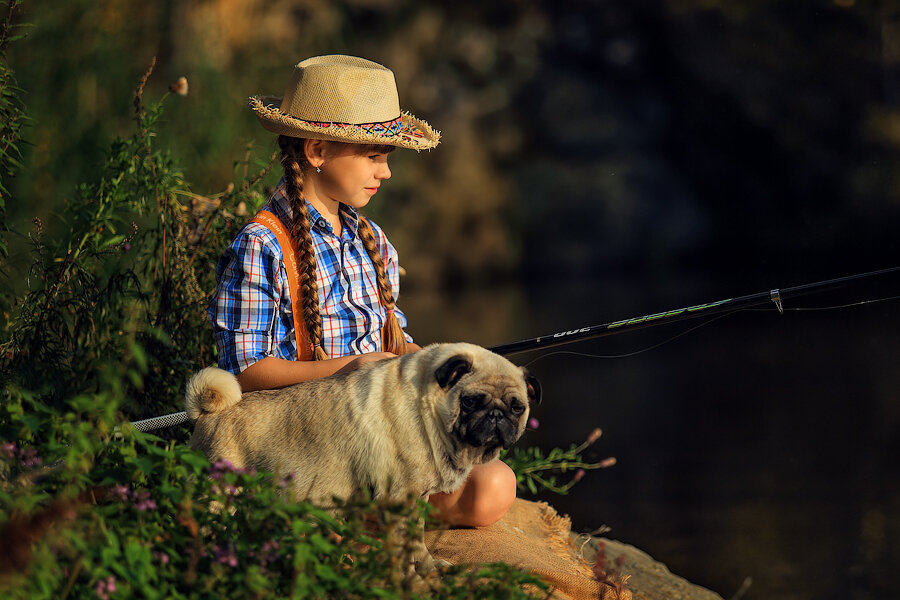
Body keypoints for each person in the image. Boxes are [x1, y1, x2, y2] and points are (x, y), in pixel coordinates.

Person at [209, 55, 516, 527]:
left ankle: (375, 519)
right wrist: (349, 367)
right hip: (313, 442)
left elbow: (397, 343)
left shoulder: (372, 241)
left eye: (386, 159)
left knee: (494, 487)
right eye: (374, 157)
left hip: (385, 437)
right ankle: (358, 520)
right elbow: (245, 374)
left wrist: (442, 364)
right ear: (316, 151)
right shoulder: (263, 245)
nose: (386, 172)